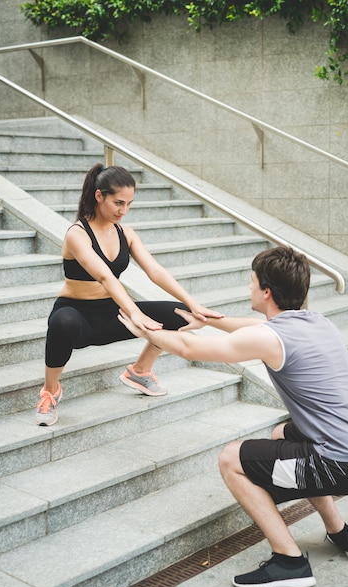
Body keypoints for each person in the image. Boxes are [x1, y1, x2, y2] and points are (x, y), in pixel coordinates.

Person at [117, 245, 348, 587]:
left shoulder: (270, 337)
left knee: (231, 458)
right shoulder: (318, 322)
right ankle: (341, 532)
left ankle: (289, 562)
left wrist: (143, 329)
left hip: (345, 463)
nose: (248, 288)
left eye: (251, 282)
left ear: (265, 291)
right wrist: (207, 320)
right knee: (282, 434)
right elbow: (250, 326)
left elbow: (189, 349)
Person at [35, 163, 223, 426]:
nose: (123, 211)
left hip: (112, 312)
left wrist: (194, 303)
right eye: (118, 203)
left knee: (180, 314)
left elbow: (155, 271)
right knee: (61, 323)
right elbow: (104, 276)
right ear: (99, 196)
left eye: (129, 204)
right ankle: (50, 391)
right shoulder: (77, 234)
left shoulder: (126, 234)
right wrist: (134, 314)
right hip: (77, 312)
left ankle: (140, 371)